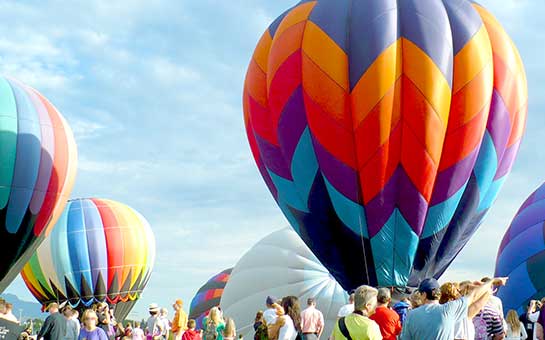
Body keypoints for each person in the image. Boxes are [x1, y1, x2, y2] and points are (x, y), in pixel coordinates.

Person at [400, 277, 508, 340]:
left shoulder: (411, 315)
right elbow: (474, 296)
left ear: (423, 294)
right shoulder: (449, 310)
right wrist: (491, 282)